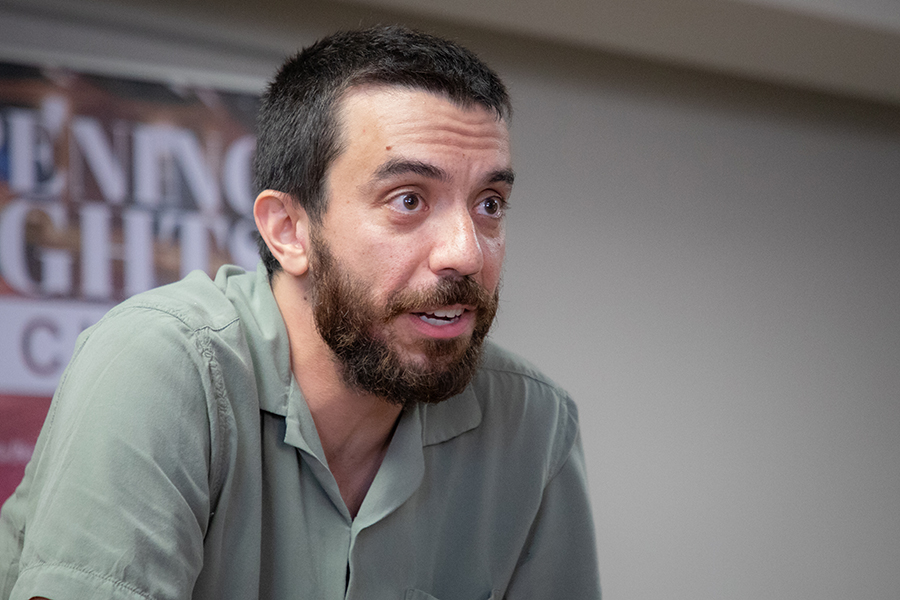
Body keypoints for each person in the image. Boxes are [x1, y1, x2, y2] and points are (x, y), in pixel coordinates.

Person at [0, 26, 600, 600]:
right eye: (408, 199)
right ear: (289, 231)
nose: (467, 253)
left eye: (490, 203)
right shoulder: (163, 364)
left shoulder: (534, 423)